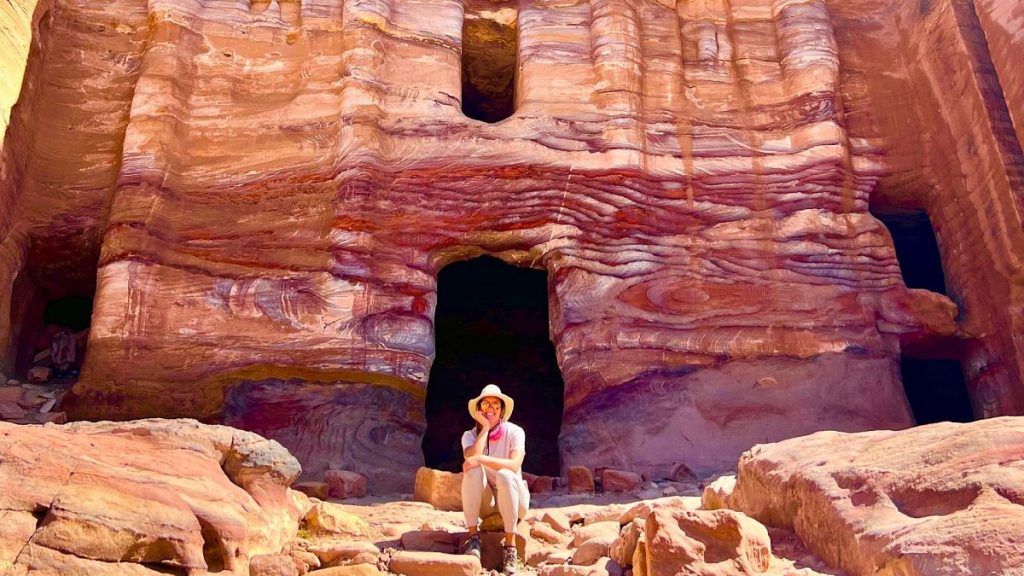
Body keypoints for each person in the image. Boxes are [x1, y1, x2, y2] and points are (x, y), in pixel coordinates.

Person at [460, 384, 529, 573]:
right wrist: (484, 429)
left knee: (505, 474)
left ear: (502, 410)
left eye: (496, 405)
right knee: (472, 472)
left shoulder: (515, 432)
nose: (491, 408)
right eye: (486, 404)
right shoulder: (469, 435)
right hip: (488, 505)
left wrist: (481, 459)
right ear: (478, 410)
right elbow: (469, 457)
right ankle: (473, 539)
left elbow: (514, 465)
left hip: (516, 500)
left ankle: (510, 547)